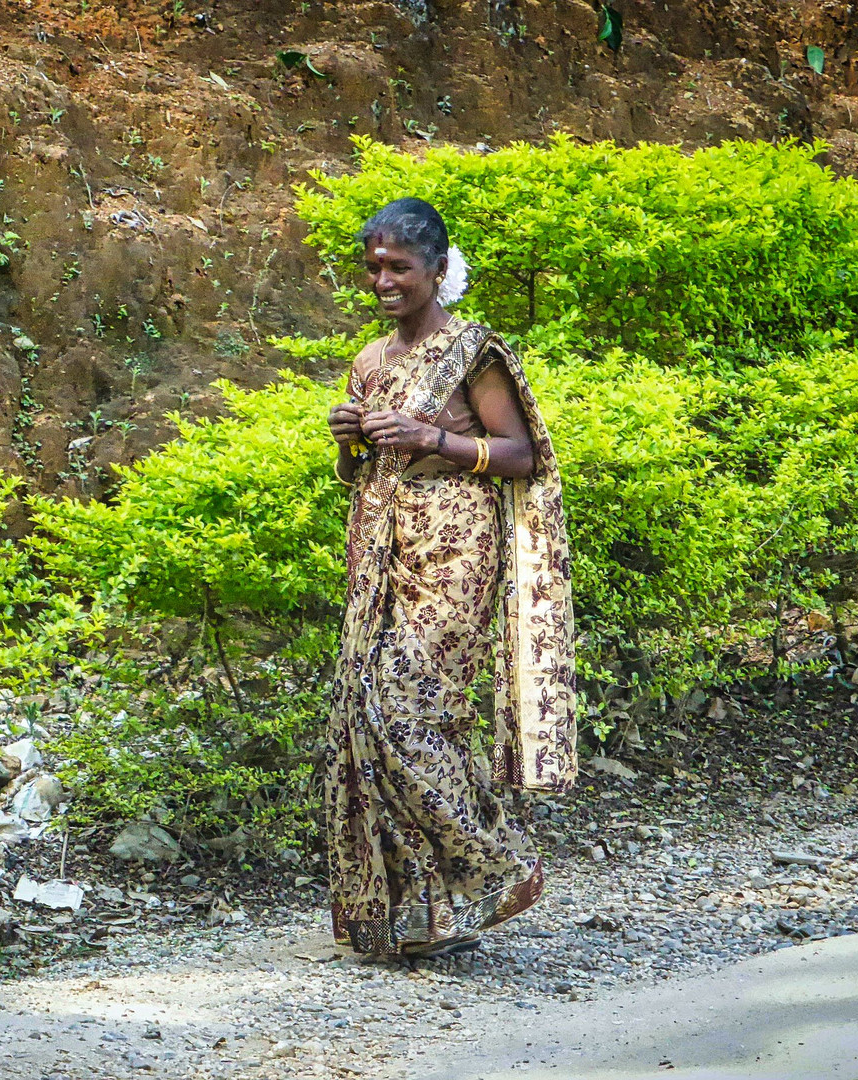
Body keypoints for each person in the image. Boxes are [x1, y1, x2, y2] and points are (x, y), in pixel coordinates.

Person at [324, 197, 578, 958]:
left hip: (457, 549)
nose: (383, 279)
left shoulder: (473, 352)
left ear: (437, 270)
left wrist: (432, 435)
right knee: (365, 715)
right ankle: (431, 911)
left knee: (406, 705)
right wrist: (348, 444)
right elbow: (358, 473)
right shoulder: (370, 361)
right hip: (384, 551)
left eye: (399, 266)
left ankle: (500, 867)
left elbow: (522, 454)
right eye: (374, 266)